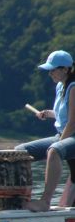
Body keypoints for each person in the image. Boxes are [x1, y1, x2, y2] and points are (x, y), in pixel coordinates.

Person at [16, 50, 75, 212]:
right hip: (63, 134)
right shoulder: (60, 87)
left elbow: (72, 122)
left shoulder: (74, 86)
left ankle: (44, 202)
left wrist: (60, 143)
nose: (50, 73)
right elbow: (63, 115)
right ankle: (21, 199)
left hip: (71, 134)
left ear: (65, 69)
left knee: (54, 150)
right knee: (19, 152)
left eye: (53, 69)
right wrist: (49, 114)